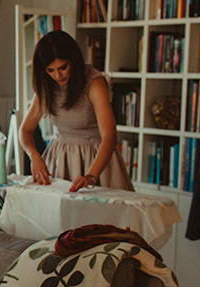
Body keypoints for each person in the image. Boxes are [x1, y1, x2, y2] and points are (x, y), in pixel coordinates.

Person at [19, 30, 133, 192]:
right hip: (60, 160)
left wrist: (91, 176)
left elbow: (110, 136)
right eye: (50, 70)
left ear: (74, 61)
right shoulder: (47, 86)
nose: (58, 75)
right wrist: (34, 156)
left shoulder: (94, 82)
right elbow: (24, 130)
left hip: (95, 160)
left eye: (63, 67)